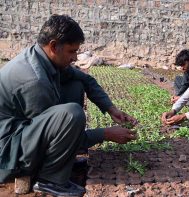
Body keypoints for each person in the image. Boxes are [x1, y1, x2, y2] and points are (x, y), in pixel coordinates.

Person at [0, 15, 137, 196]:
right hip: (8, 152)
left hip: (22, 131)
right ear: (54, 46)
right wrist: (104, 134)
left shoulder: (43, 58)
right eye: (72, 52)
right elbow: (51, 137)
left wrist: (111, 109)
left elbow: (86, 79)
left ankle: (64, 160)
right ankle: (50, 180)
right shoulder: (34, 81)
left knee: (75, 85)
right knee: (72, 113)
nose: (75, 58)